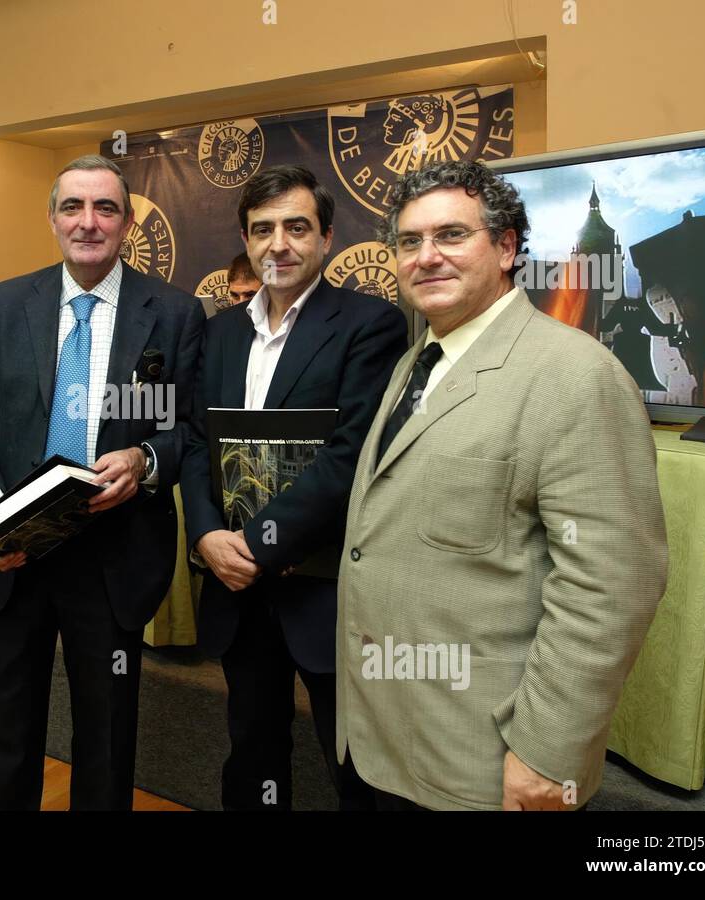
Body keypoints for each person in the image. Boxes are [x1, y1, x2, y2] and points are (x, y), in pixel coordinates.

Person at [337, 159, 668, 810]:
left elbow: (611, 587)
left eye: (451, 236)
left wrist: (547, 752)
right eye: (409, 242)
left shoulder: (577, 376)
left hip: (484, 760)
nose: (425, 257)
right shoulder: (414, 361)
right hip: (378, 738)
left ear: (508, 246)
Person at [0, 154, 204, 809]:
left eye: (105, 208)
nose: (88, 223)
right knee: (4, 731)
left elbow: (189, 432)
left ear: (126, 222)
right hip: (16, 555)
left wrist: (146, 458)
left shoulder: (173, 314)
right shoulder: (8, 301)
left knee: (107, 737)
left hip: (112, 555)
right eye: (73, 208)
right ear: (53, 219)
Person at [181, 165, 405, 810]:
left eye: (296, 227)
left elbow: (351, 453)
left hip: (325, 587)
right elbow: (198, 443)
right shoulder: (218, 332)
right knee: (252, 751)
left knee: (357, 767)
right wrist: (205, 537)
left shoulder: (370, 323)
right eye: (262, 230)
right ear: (247, 242)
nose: (278, 244)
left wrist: (256, 543)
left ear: (327, 238)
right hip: (233, 585)